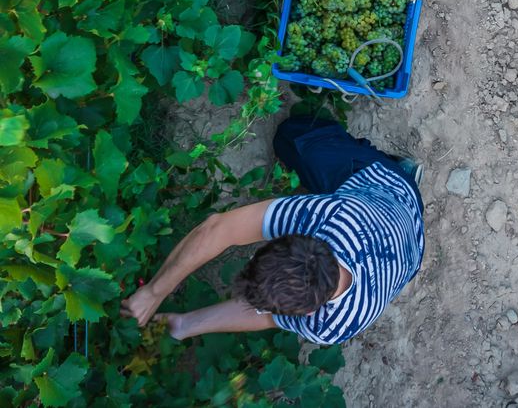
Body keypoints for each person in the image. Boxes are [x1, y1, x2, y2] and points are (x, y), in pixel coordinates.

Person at [121, 115, 425, 345]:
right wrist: (154, 294)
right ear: (299, 236)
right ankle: (394, 169)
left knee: (296, 138)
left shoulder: (330, 322)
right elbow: (218, 230)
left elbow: (266, 315)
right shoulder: (331, 219)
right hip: (394, 203)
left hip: (394, 207)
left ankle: (396, 168)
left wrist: (185, 323)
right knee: (290, 137)